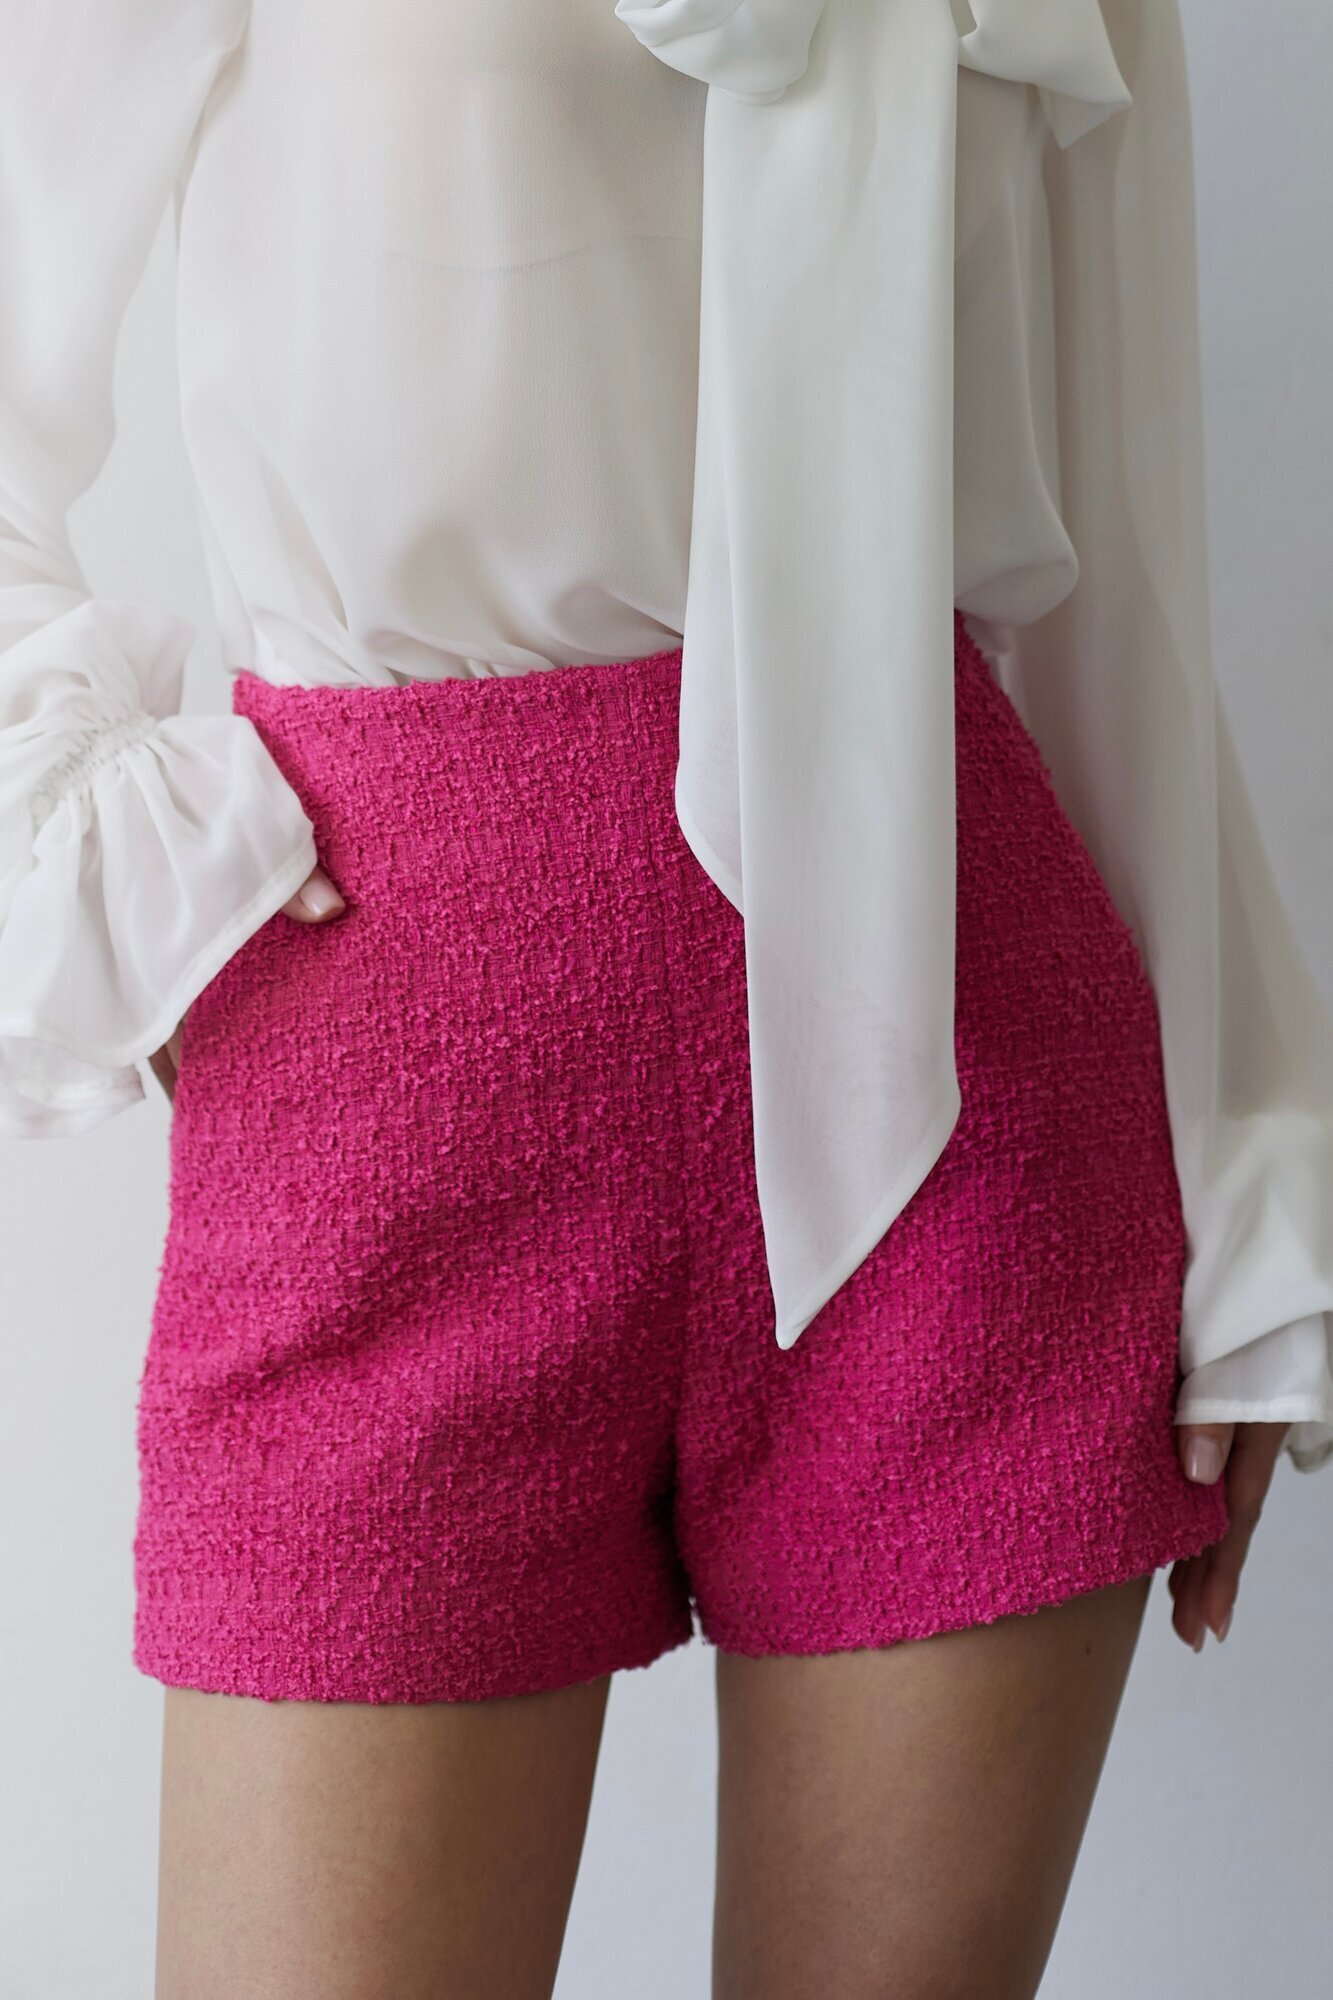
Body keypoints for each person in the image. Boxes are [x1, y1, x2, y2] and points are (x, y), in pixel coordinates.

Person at [1, 1, 1330, 1993]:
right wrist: (92, 829)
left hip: (971, 1089)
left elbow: (1123, 558)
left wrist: (1248, 1181)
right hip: (388, 1071)